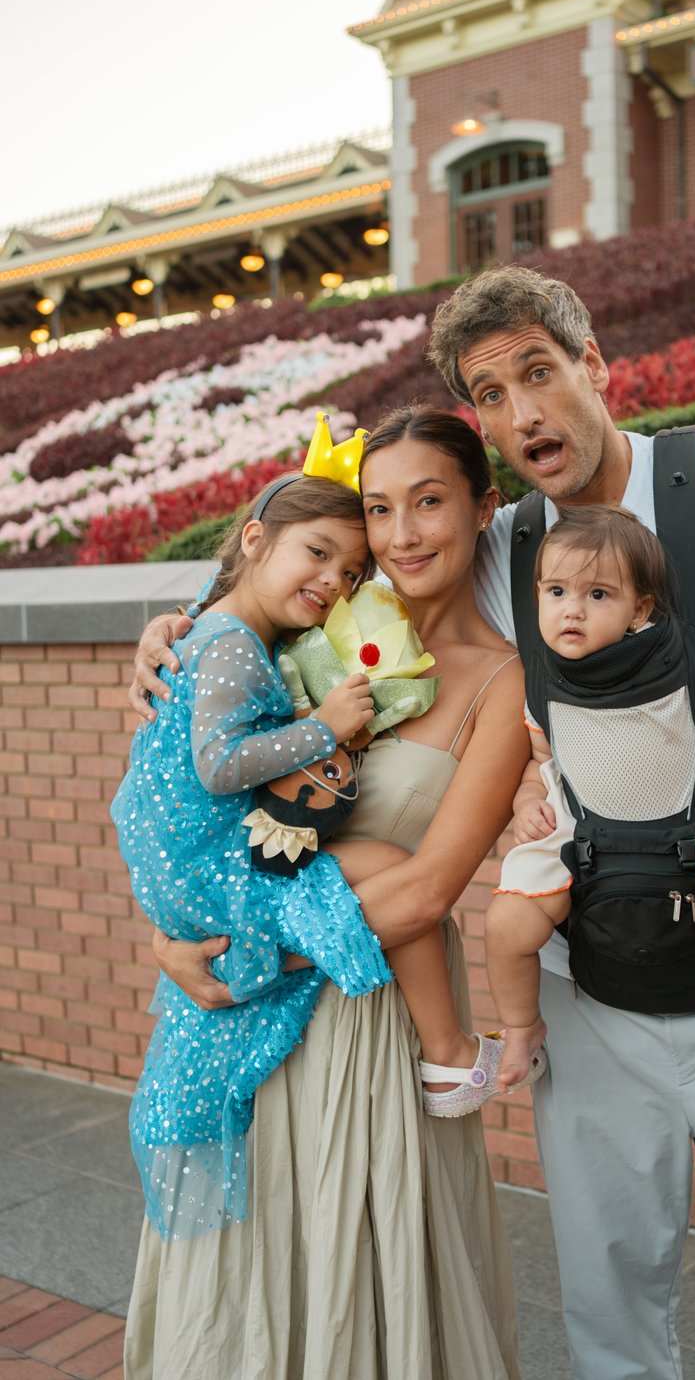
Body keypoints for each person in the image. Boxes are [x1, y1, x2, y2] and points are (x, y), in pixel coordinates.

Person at [133, 267, 695, 1380]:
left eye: (540, 371)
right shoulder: (496, 551)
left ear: (594, 366)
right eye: (491, 395)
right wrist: (179, 633)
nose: (523, 411)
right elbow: (311, 587)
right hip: (585, 1004)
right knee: (609, 1337)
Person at [125, 405, 529, 1380]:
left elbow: (429, 891)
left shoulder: (501, 683)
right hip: (255, 1023)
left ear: (483, 509)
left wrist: (240, 948)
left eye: (428, 502)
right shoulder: (310, 636)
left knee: (365, 1283)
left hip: (370, 1019)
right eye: (379, 509)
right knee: (246, 1281)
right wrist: (175, 624)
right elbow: (202, 799)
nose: (400, 534)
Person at [487, 502, 695, 1091]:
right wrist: (524, 803)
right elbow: (543, 762)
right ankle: (520, 1027)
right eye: (558, 591)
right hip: (584, 832)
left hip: (689, 823)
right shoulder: (542, 682)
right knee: (505, 923)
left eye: (597, 595)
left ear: (639, 608)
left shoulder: (679, 660)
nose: (572, 608)